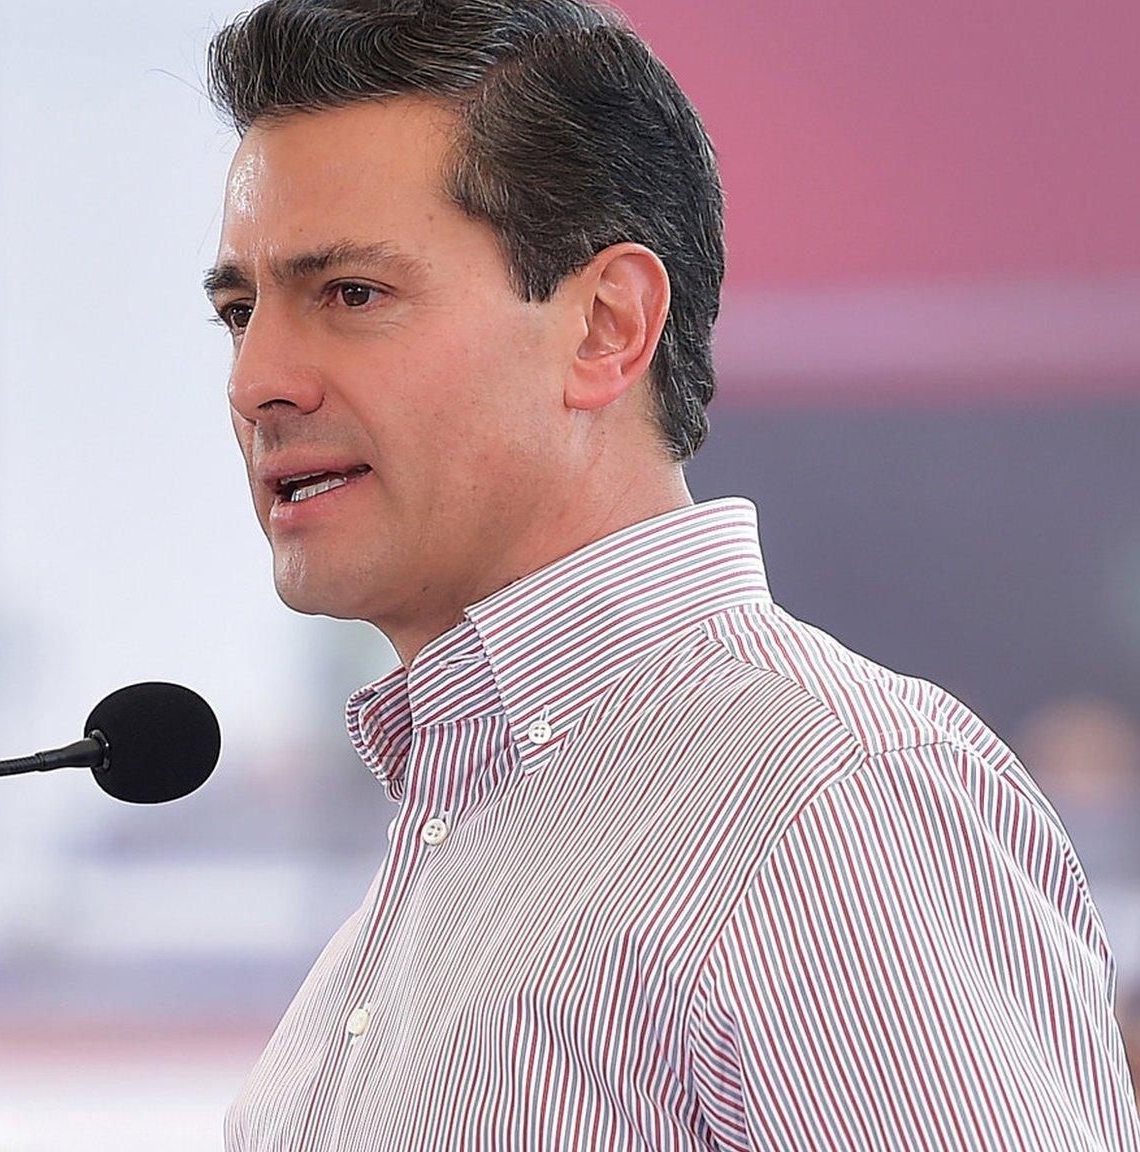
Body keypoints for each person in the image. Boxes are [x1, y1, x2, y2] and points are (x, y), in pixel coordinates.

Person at [199, 1, 1140, 1148]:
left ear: (606, 326)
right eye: (239, 312)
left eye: (349, 295)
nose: (257, 379)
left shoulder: (827, 804)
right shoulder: (461, 832)